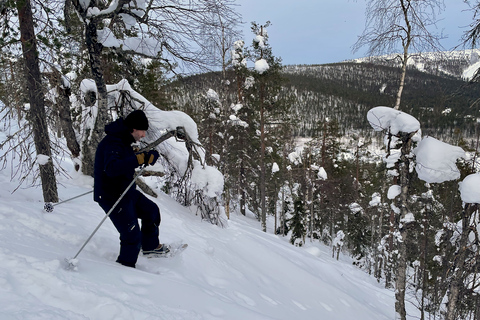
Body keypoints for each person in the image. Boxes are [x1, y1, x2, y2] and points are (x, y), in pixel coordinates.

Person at [94, 109, 168, 268]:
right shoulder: (113, 142)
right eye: (142, 131)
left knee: (151, 211)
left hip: (125, 191)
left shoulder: (123, 140)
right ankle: (125, 268)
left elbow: (125, 159)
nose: (143, 135)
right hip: (111, 196)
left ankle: (150, 248)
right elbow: (112, 168)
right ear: (133, 128)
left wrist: (144, 157)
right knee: (131, 236)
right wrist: (139, 159)